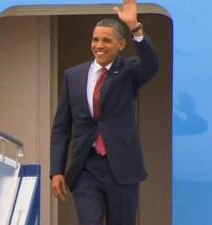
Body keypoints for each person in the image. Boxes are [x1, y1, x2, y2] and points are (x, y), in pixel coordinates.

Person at [50, 0, 159, 225]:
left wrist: (135, 27)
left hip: (122, 167)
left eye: (106, 40)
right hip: (85, 167)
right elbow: (61, 127)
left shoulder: (128, 71)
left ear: (120, 45)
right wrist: (56, 171)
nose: (99, 45)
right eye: (95, 39)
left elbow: (152, 65)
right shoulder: (73, 76)